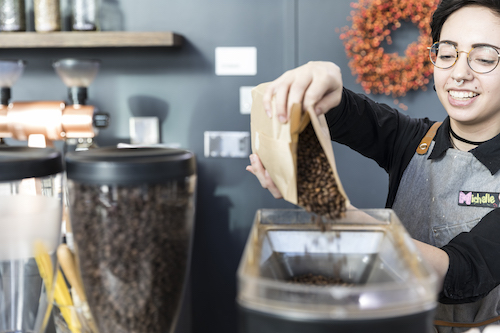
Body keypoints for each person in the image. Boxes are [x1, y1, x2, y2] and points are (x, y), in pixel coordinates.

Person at [246, 0, 500, 332]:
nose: (459, 73)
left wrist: (339, 214)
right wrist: (324, 78)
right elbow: (349, 112)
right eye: (448, 54)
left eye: (483, 58)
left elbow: (462, 271)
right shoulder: (412, 140)